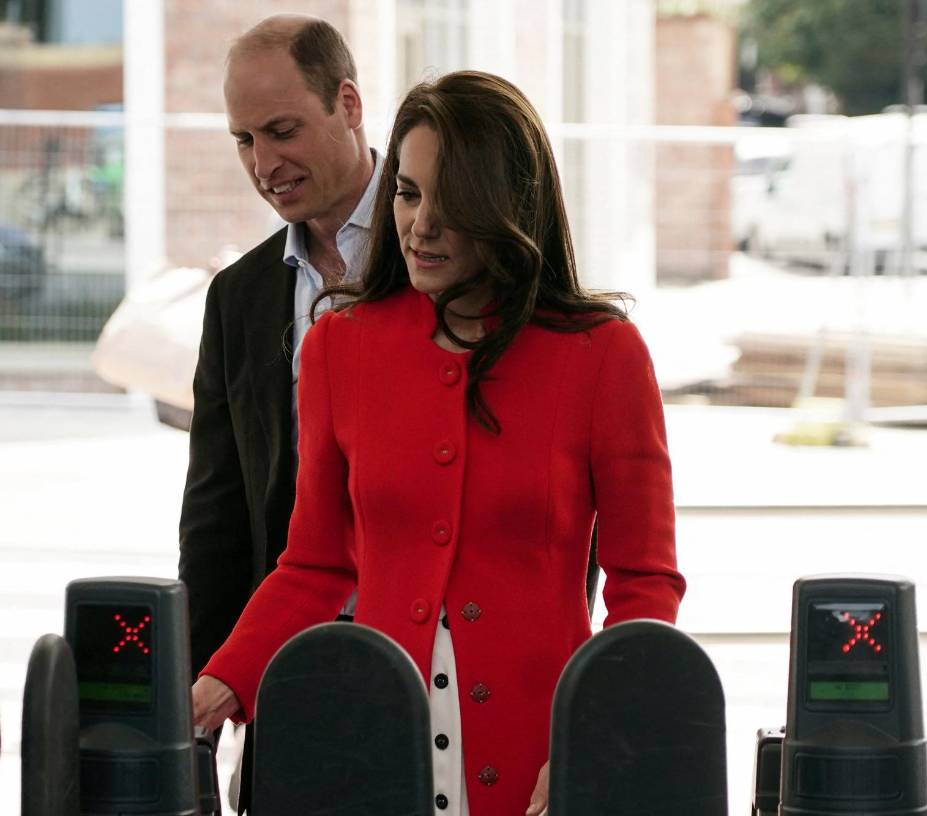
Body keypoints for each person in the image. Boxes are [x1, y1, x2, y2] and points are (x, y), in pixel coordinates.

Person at [190, 70, 686, 816]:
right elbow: (317, 562)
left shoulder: (603, 355)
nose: (421, 226)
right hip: (375, 751)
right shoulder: (339, 348)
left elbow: (646, 584)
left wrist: (596, 735)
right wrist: (221, 680)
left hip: (545, 760)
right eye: (409, 193)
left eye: (451, 203)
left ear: (508, 205)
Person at [176, 14, 379, 813]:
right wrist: (204, 689)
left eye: (283, 130)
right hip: (284, 666)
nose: (264, 164)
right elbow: (218, 510)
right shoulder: (241, 296)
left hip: (439, 667)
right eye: (243, 141)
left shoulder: (447, 252)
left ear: (349, 104)